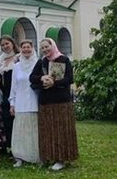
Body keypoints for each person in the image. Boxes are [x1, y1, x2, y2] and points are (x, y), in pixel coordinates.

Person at [29, 38, 78, 171]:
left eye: (47, 47)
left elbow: (69, 79)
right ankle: (48, 156)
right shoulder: (42, 62)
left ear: (53, 46)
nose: (45, 50)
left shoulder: (64, 60)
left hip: (61, 101)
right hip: (46, 102)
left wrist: (54, 83)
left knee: (60, 131)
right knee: (48, 131)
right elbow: (32, 78)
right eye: (43, 48)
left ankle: (60, 158)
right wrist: (42, 79)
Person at [9, 39, 40, 167]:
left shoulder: (38, 64)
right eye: (24, 48)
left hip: (34, 103)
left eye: (28, 47)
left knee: (34, 132)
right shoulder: (16, 67)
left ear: (32, 49)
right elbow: (14, 86)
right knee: (21, 132)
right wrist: (12, 103)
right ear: (20, 50)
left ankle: (35, 156)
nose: (26, 50)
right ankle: (20, 156)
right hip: (20, 104)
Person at [0, 35, 18, 155]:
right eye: (3, 45)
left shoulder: (18, 58)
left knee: (14, 120)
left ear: (12, 43)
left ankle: (15, 146)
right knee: (5, 119)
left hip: (15, 92)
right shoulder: (1, 60)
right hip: (4, 93)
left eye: (7, 43)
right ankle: (5, 145)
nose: (5, 46)